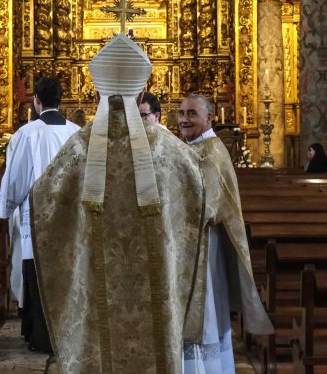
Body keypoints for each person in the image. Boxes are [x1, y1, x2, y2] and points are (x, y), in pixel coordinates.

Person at [31, 34, 213, 373]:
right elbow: (197, 203)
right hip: (155, 294)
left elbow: (44, 203)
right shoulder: (173, 152)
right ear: (141, 94)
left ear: (97, 93)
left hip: (95, 293)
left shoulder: (77, 151)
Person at [177, 93, 273, 374]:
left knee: (206, 314)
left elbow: (206, 206)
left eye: (192, 113)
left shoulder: (211, 152)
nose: (184, 119)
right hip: (192, 246)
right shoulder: (193, 147)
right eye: (181, 113)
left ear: (209, 118)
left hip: (204, 247)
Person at [0, 76, 79, 354]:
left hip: (36, 219)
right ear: (61, 100)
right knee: (66, 273)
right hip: (70, 220)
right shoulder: (77, 133)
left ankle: (40, 336)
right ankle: (67, 335)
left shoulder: (27, 134)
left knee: (37, 272)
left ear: (37, 101)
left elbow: (16, 179)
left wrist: (6, 208)